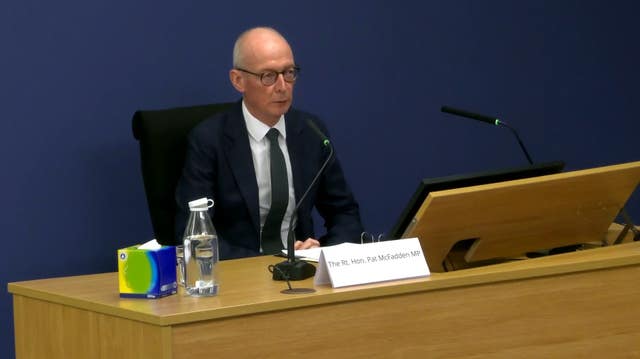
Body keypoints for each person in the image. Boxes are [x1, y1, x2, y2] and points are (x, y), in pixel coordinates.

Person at [175, 27, 363, 260]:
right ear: (238, 80)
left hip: (302, 270)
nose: (283, 86)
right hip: (241, 275)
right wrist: (267, 265)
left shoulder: (311, 132)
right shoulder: (209, 140)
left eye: (289, 73)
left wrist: (324, 254)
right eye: (269, 76)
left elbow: (344, 212)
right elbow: (195, 234)